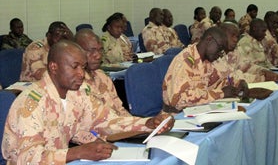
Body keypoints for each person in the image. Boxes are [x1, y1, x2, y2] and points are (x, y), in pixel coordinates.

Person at [2, 40, 174, 164]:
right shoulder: (30, 103)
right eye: (74, 67)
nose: (81, 74)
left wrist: (148, 123)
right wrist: (76, 152)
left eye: (83, 67)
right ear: (54, 67)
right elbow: (25, 158)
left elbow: (106, 121)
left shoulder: (76, 93)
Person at [75, 28, 174, 136]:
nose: (98, 55)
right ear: (75, 51)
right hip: (98, 140)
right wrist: (145, 124)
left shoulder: (102, 77)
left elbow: (121, 111)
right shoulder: (75, 83)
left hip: (120, 132)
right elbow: (100, 124)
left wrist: (149, 124)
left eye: (100, 50)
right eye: (91, 51)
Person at [162, 27, 248, 111]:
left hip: (197, 111)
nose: (220, 54)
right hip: (176, 116)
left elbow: (219, 82)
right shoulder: (185, 60)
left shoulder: (206, 62)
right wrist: (220, 94)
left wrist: (239, 83)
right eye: (220, 48)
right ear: (209, 39)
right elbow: (178, 101)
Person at [214, 22, 278, 83]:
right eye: (232, 36)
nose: (235, 40)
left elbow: (247, 66)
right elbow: (231, 79)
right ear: (220, 36)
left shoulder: (232, 52)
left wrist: (264, 71)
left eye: (237, 36)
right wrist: (262, 78)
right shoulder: (214, 55)